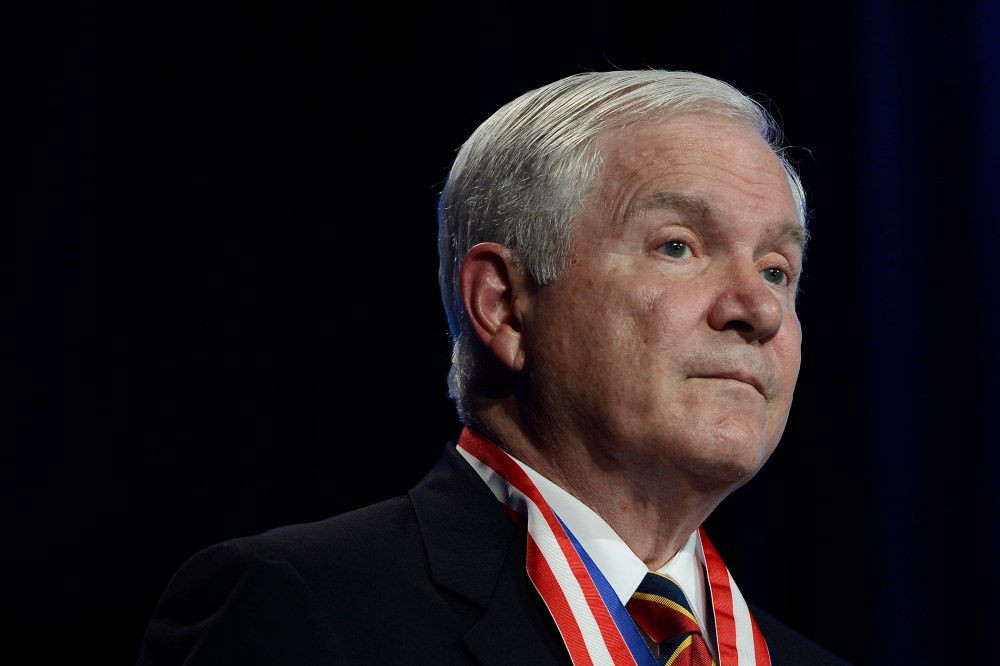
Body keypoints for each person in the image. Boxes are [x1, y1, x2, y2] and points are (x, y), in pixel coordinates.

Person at [136, 69, 851, 665]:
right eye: (677, 246)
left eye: (777, 269)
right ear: (505, 305)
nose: (756, 310)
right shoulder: (304, 612)